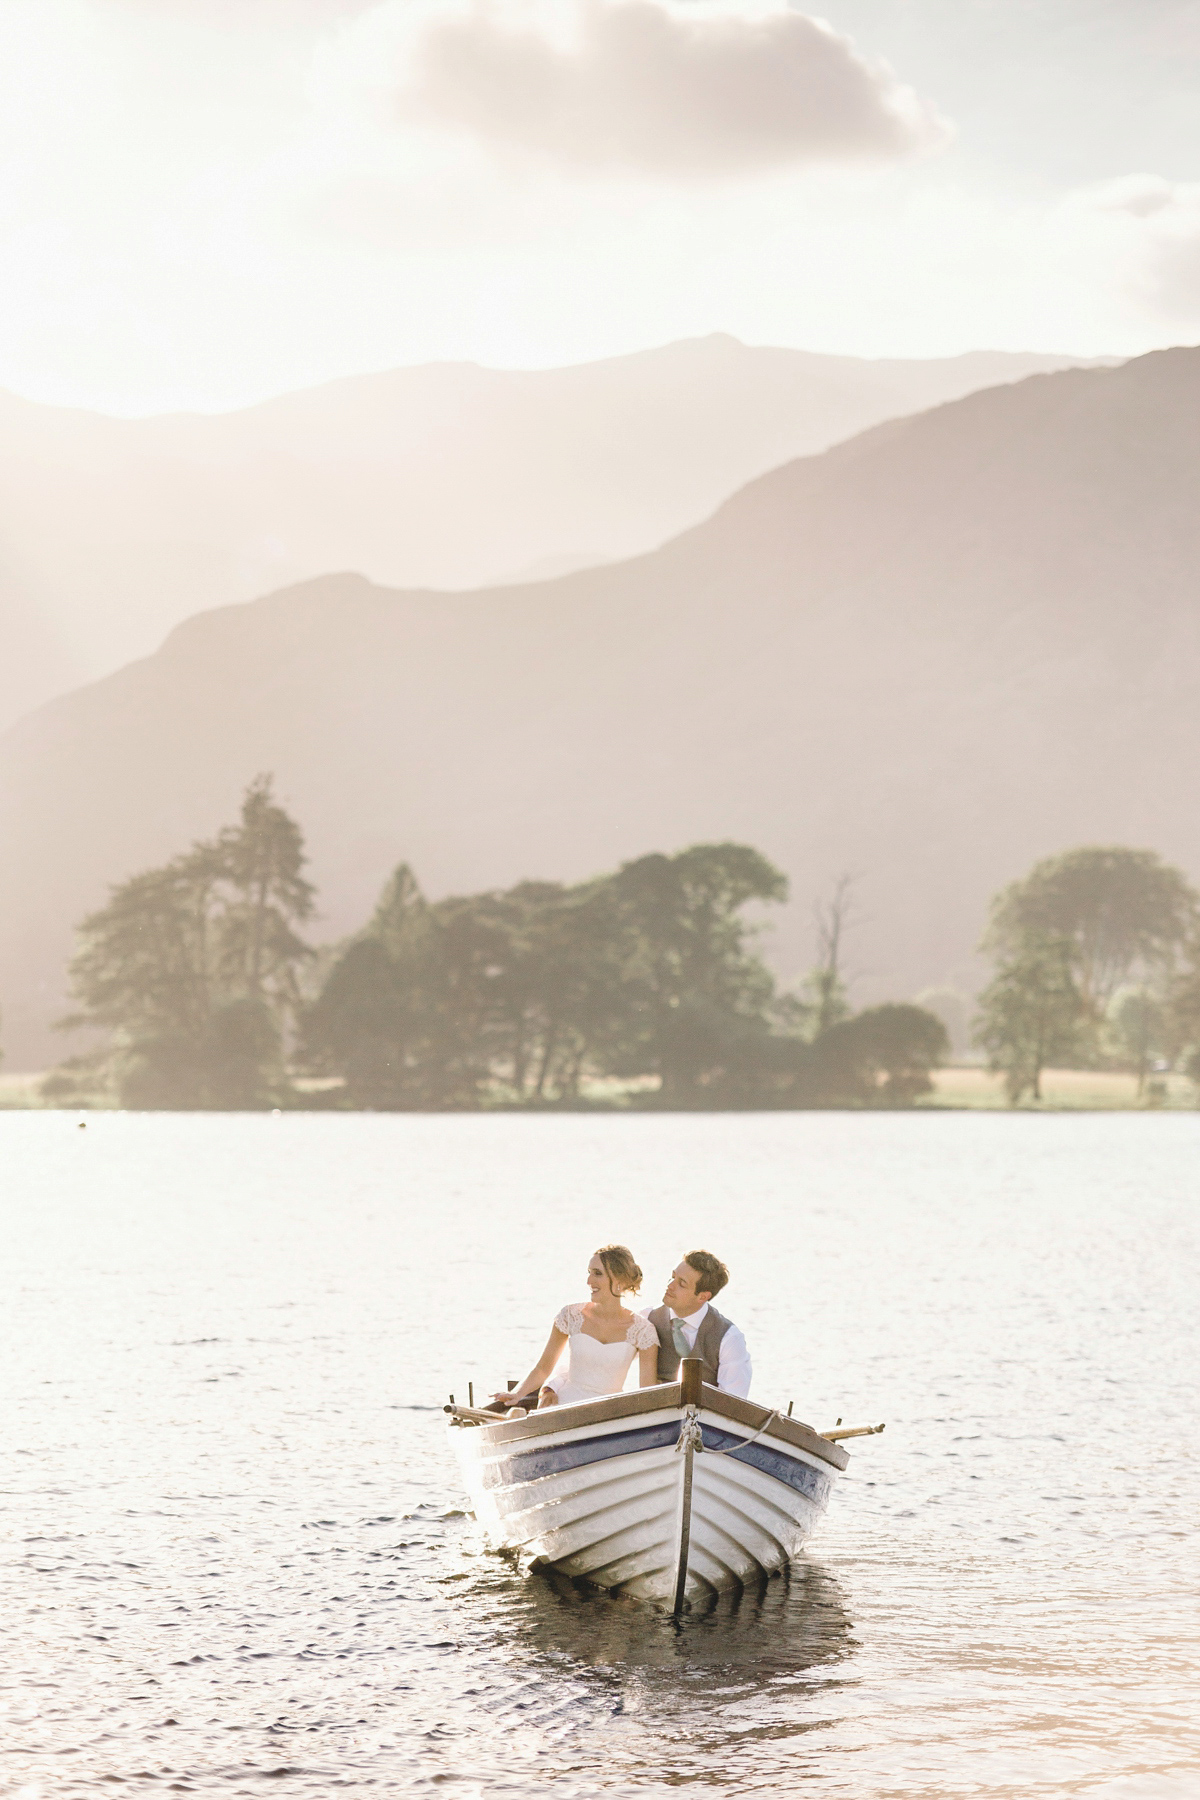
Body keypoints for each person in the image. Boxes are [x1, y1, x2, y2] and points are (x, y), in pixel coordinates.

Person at [491, 1245, 660, 1411]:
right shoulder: (570, 1315)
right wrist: (517, 1394)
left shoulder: (643, 1330)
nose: (589, 1281)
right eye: (589, 1272)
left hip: (610, 1413)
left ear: (619, 1280)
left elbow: (648, 1392)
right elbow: (543, 1367)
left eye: (597, 1273)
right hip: (564, 1407)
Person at [642, 1250, 752, 1397]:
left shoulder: (729, 1338)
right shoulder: (647, 1319)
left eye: (681, 1284)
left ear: (702, 1297)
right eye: (672, 1277)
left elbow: (733, 1400)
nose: (670, 1285)